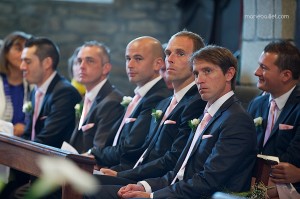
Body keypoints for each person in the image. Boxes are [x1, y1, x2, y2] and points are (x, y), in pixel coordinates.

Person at [85, 45, 257, 199]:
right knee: (82, 185)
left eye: (208, 71)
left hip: (199, 196)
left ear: (229, 74)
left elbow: (208, 181)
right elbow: (178, 172)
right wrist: (143, 186)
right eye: (196, 73)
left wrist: (153, 196)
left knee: (87, 191)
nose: (200, 80)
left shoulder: (236, 119)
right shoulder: (209, 113)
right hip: (175, 191)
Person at [98, 30, 207, 184]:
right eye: (168, 53)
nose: (170, 59)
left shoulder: (196, 102)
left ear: (197, 61)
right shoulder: (164, 103)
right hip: (135, 174)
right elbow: (145, 151)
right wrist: (120, 171)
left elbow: (172, 159)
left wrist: (123, 176)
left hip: (156, 183)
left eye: (180, 53)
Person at [87, 36, 171, 168]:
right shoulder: (141, 95)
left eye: (138, 59)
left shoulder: (158, 97)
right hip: (111, 163)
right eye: (128, 59)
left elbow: (131, 147)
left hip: (126, 169)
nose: (130, 65)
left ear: (158, 64)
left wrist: (95, 154)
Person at [247, 40, 300, 195]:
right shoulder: (256, 104)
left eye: (263, 68)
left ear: (286, 75)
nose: (256, 72)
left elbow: (292, 158)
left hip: (288, 185)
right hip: (256, 179)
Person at [20, 37, 82, 148]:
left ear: (47, 63)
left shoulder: (64, 93)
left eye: (27, 61)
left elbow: (48, 140)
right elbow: (28, 133)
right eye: (22, 61)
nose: (22, 67)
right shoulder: (35, 90)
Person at [69, 41, 125, 153]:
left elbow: (99, 150)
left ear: (106, 68)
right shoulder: (87, 97)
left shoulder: (111, 102)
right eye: (79, 61)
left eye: (89, 61)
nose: (81, 66)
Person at [0, 31, 32, 136]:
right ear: (5, 52)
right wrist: (11, 129)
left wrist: (26, 127)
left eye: (26, 49)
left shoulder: (33, 83)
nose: (23, 54)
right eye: (18, 49)